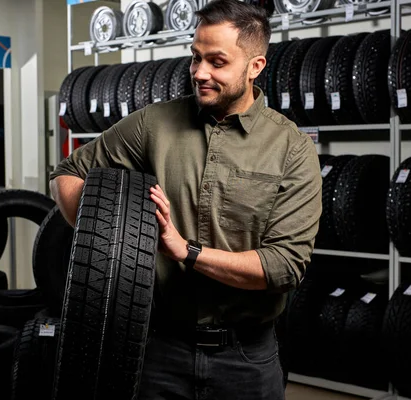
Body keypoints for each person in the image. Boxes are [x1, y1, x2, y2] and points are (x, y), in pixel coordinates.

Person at [49, 0, 322, 398]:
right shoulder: (153, 124)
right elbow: (68, 174)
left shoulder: (291, 148)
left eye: (217, 61)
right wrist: (107, 241)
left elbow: (284, 267)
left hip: (245, 359)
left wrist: (186, 251)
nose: (200, 73)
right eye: (195, 57)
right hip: (157, 350)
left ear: (255, 66)